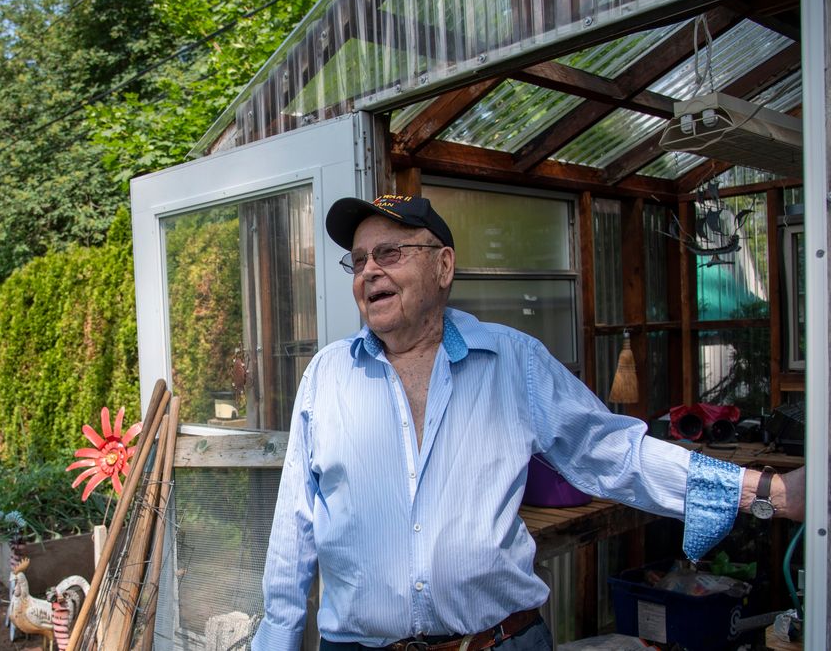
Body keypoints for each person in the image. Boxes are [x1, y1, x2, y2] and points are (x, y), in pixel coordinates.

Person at [252, 194, 805, 651]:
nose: (369, 270)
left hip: (498, 641)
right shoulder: (327, 377)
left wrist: (768, 491)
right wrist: (275, 640)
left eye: (390, 253)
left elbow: (618, 454)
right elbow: (292, 529)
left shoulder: (514, 362)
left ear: (443, 265)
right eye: (359, 259)